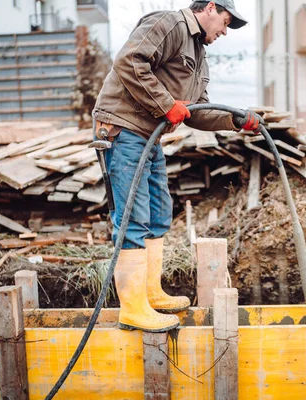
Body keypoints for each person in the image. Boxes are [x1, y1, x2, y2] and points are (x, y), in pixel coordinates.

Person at [92, 0, 260, 333]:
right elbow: (129, 61)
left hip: (148, 137)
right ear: (210, 8)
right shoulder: (169, 24)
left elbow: (196, 110)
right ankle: (133, 309)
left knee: (158, 212)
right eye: (225, 22)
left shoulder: (198, 55)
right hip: (123, 130)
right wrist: (166, 104)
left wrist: (236, 119)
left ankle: (149, 293)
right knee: (133, 216)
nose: (225, 32)